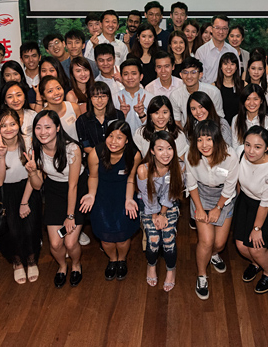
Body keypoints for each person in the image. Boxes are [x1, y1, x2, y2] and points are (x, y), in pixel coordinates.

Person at [0, 108, 41, 284]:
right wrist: (1, 157)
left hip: (27, 190)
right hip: (4, 193)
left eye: (12, 124)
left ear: (19, 124)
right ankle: (16, 262)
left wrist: (24, 202)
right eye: (3, 125)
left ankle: (31, 260)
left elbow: (34, 176)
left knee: (30, 229)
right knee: (12, 232)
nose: (9, 129)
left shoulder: (29, 142)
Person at [28, 110, 86, 288]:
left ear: (58, 128)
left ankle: (76, 264)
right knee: (54, 243)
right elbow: (37, 186)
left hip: (76, 189)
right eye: (38, 127)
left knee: (70, 242)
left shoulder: (72, 149)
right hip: (53, 190)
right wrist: (31, 172)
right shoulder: (35, 149)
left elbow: (73, 185)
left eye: (48, 127)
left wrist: (70, 216)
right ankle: (62, 266)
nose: (43, 132)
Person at [185, 119, 238, 300]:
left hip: (224, 197)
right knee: (206, 241)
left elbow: (230, 187)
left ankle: (214, 255)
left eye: (209, 139)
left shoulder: (230, 155)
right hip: (200, 195)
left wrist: (217, 208)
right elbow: (191, 184)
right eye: (200, 140)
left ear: (217, 139)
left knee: (219, 244)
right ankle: (202, 276)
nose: (204, 144)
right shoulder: (190, 155)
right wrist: (199, 209)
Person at [81, 120, 141, 281]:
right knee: (105, 237)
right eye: (110, 136)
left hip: (123, 195)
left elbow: (131, 179)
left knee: (122, 236)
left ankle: (121, 259)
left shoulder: (134, 154)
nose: (114, 141)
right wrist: (91, 195)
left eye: (119, 137)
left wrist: (129, 199)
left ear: (127, 140)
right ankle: (112, 260)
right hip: (102, 196)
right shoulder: (96, 153)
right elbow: (93, 176)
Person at [234, 126, 268, 294]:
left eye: (257, 147)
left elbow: (265, 204)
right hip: (246, 199)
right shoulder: (240, 152)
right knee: (242, 246)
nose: (251, 151)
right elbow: (238, 180)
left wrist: (257, 229)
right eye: (247, 144)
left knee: (256, 248)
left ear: (267, 148)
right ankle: (256, 264)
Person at [134, 131, 184, 291]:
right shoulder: (143, 169)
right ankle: (151, 265)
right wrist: (155, 215)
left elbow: (172, 193)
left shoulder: (180, 167)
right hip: (148, 205)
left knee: (169, 241)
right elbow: (147, 197)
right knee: (153, 240)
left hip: (169, 204)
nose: (166, 153)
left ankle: (171, 269)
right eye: (160, 149)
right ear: (152, 151)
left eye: (169, 148)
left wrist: (163, 213)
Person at [170, 57, 224, 125]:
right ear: (181, 75)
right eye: (185, 72)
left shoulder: (213, 92)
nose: (189, 76)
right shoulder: (175, 95)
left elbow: (219, 117)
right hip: (188, 133)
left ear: (200, 75)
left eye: (193, 72)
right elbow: (177, 121)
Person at [76, 81, 125, 155]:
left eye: (103, 96)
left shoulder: (118, 115)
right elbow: (86, 146)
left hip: (116, 156)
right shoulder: (82, 120)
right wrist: (102, 155)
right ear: (90, 99)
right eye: (95, 97)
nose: (99, 100)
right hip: (94, 158)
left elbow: (123, 139)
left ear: (108, 98)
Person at [231, 84, 268, 153]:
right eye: (248, 99)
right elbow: (235, 147)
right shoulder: (236, 119)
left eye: (255, 99)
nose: (251, 103)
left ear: (261, 101)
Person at [0, 81, 37, 148]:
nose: (15, 100)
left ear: (25, 96)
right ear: (5, 101)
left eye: (19, 95)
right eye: (10, 97)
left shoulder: (33, 115)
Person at [194, 15, 239, 84]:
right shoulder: (201, 51)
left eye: (224, 28)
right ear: (211, 29)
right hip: (207, 92)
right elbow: (198, 78)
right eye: (217, 28)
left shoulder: (233, 51)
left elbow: (237, 75)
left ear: (228, 30)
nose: (221, 32)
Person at [39, 75, 79, 139]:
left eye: (58, 88)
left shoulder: (74, 107)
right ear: (43, 96)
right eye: (50, 91)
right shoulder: (42, 117)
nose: (56, 93)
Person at [117, 58, 149, 133]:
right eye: (125, 74)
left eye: (134, 73)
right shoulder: (114, 98)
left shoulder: (150, 98)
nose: (130, 77)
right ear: (121, 77)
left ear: (141, 77)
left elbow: (155, 126)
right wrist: (121, 116)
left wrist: (142, 115)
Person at [128, 23, 159, 87]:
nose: (147, 40)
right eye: (143, 36)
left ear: (154, 38)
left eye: (150, 36)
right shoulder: (131, 57)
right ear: (138, 37)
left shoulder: (159, 56)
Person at [93, 43, 124, 108]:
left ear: (114, 59)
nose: (105, 64)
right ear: (96, 61)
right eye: (101, 60)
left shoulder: (125, 72)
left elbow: (139, 91)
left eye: (109, 60)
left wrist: (124, 81)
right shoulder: (96, 83)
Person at [216, 52, 243, 124]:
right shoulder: (214, 86)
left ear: (236, 67)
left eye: (232, 64)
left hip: (239, 125)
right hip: (220, 126)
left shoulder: (244, 85)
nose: (229, 67)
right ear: (221, 67)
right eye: (225, 64)